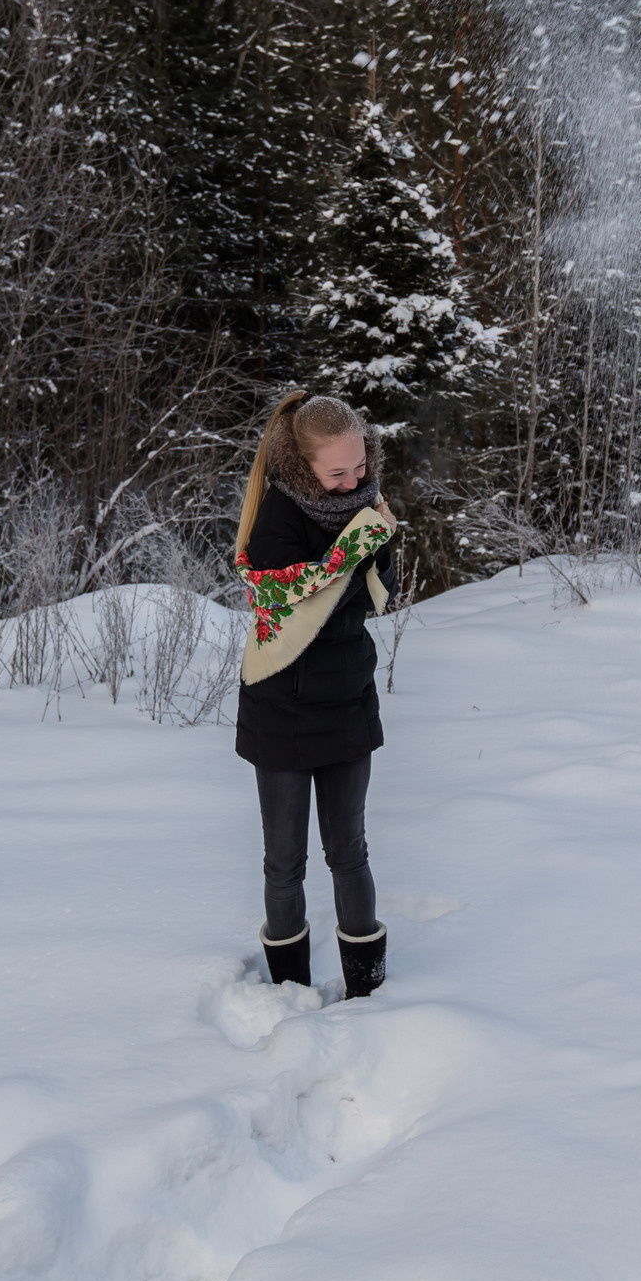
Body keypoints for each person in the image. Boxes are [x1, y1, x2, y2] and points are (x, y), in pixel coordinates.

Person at [232, 391, 400, 999]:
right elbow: (281, 601)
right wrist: (346, 556)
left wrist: (369, 546)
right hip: (281, 710)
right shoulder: (278, 516)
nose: (354, 480)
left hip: (348, 702)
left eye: (361, 466)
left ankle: (370, 993)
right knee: (284, 860)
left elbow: (383, 595)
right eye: (338, 473)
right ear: (305, 469)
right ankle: (288, 994)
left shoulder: (367, 504)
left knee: (349, 851)